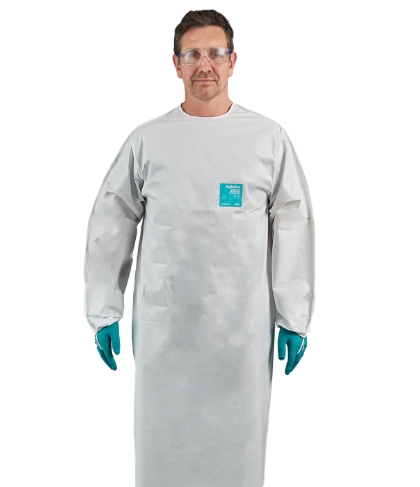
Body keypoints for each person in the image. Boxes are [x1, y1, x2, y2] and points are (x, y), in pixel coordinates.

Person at [84, 9, 315, 487]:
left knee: (238, 455)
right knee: (163, 452)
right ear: (176, 63)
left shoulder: (266, 139)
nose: (204, 65)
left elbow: (293, 223)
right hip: (166, 334)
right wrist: (104, 309)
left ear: (233, 61)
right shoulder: (149, 141)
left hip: (241, 335)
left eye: (215, 53)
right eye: (192, 55)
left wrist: (294, 316)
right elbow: (113, 218)